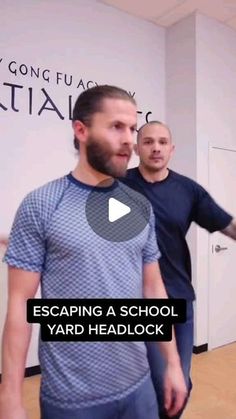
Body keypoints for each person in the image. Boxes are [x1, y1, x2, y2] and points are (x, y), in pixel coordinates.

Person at [0, 87, 187, 419]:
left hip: (138, 386)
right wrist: (11, 396)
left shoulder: (139, 206)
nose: (129, 140)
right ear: (80, 130)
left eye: (132, 129)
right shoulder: (41, 204)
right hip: (72, 399)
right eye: (116, 127)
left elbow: (154, 289)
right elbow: (19, 305)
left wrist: (172, 363)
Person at [121, 120, 236, 419]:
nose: (156, 147)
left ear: (172, 150)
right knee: (163, 386)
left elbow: (228, 225)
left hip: (180, 296)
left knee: (179, 385)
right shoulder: (118, 186)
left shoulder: (188, 190)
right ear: (136, 148)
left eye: (162, 142)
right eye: (148, 141)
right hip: (139, 300)